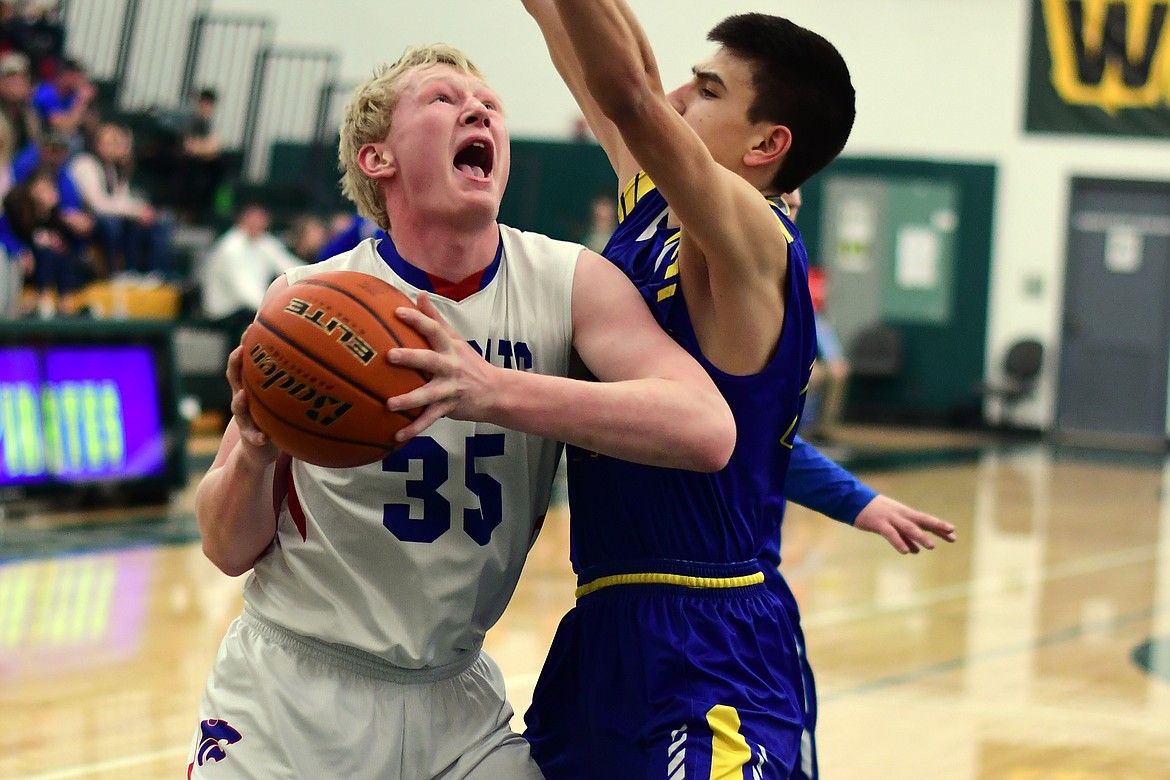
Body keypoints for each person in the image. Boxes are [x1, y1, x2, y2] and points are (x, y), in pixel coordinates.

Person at [186, 43, 735, 780]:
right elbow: (225, 550)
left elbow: (705, 428)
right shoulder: (308, 303)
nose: (478, 108)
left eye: (489, 105)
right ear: (377, 159)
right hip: (293, 691)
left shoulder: (568, 281)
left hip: (454, 700)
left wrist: (488, 390)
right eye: (442, 99)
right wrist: (253, 452)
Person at [520, 4, 952, 778]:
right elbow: (619, 75)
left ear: (767, 144)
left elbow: (631, 96)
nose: (682, 96)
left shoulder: (755, 236)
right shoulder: (653, 207)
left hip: (708, 636)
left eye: (710, 90)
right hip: (604, 620)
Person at [69, 122, 174, 279]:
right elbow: (98, 204)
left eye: (115, 143)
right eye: (108, 143)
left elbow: (122, 199)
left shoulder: (113, 167)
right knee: (113, 223)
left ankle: (157, 273)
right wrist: (134, 212)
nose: (112, 148)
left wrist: (141, 211)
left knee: (159, 220)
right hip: (88, 216)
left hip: (111, 214)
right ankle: (115, 273)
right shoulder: (85, 164)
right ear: (97, 144)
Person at [199, 202, 303, 345]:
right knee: (263, 326)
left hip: (251, 307)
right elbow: (245, 292)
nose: (257, 223)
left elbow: (291, 266)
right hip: (225, 311)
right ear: (242, 220)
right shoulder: (231, 247)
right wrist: (275, 309)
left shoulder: (265, 242)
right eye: (253, 219)